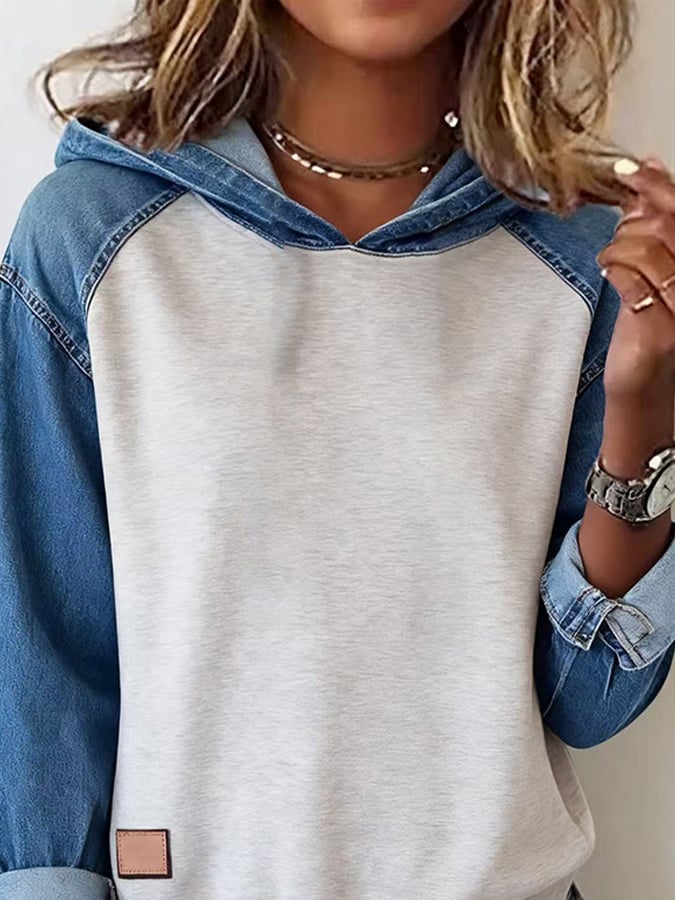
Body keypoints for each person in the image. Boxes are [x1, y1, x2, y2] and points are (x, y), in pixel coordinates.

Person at [1, 1, 675, 898]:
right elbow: (43, 660)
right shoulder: (92, 240)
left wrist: (645, 412)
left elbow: (585, 704)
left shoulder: (588, 257)